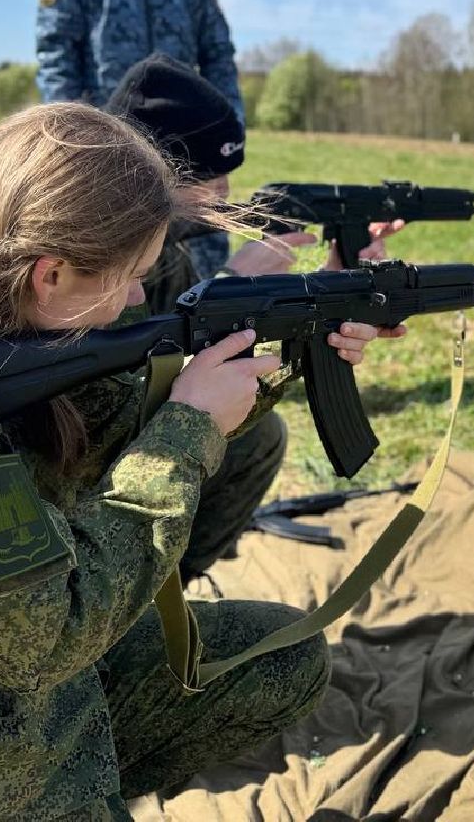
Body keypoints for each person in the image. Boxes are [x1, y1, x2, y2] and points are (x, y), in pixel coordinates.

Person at [0, 104, 400, 818]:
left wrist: (286, 340)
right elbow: (44, 636)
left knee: (279, 655)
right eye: (132, 276)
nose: (140, 298)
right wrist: (187, 432)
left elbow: (74, 424)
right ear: (49, 273)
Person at [103, 54, 403, 583]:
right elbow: (117, 402)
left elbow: (185, 355)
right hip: (76, 467)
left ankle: (161, 591)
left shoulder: (167, 252)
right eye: (209, 178)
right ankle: (127, 597)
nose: (223, 195)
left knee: (260, 441)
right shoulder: (89, 255)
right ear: (152, 171)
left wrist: (318, 295)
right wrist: (231, 288)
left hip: (124, 448)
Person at [35, 0, 242, 275]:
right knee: (113, 267)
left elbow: (218, 52)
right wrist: (75, 148)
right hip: (109, 150)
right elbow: (56, 56)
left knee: (200, 268)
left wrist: (225, 137)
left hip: (189, 152)